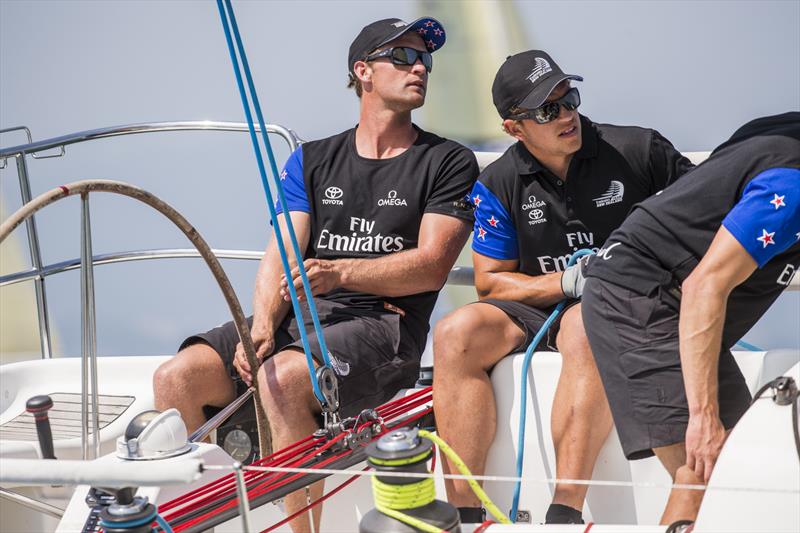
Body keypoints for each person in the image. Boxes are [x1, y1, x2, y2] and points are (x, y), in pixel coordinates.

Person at [153, 16, 479, 533]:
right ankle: (205, 521)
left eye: (425, 60)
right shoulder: (311, 159)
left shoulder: (448, 161)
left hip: (385, 326)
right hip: (301, 319)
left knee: (279, 379)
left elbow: (433, 264)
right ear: (363, 71)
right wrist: (261, 325)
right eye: (402, 57)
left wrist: (341, 272)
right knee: (176, 379)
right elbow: (281, 253)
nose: (419, 67)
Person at [432, 50, 694, 525]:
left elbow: (707, 218)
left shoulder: (638, 149)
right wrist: (567, 280)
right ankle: (464, 514)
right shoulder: (499, 181)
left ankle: (564, 512)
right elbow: (490, 283)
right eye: (549, 110)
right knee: (455, 332)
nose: (568, 115)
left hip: (619, 306)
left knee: (583, 325)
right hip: (540, 303)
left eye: (569, 98)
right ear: (515, 128)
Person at [581, 112, 800, 525]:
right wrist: (703, 419)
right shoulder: (791, 186)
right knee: (701, 474)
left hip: (670, 301)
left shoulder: (780, 130)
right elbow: (705, 286)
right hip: (639, 298)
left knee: (741, 469)